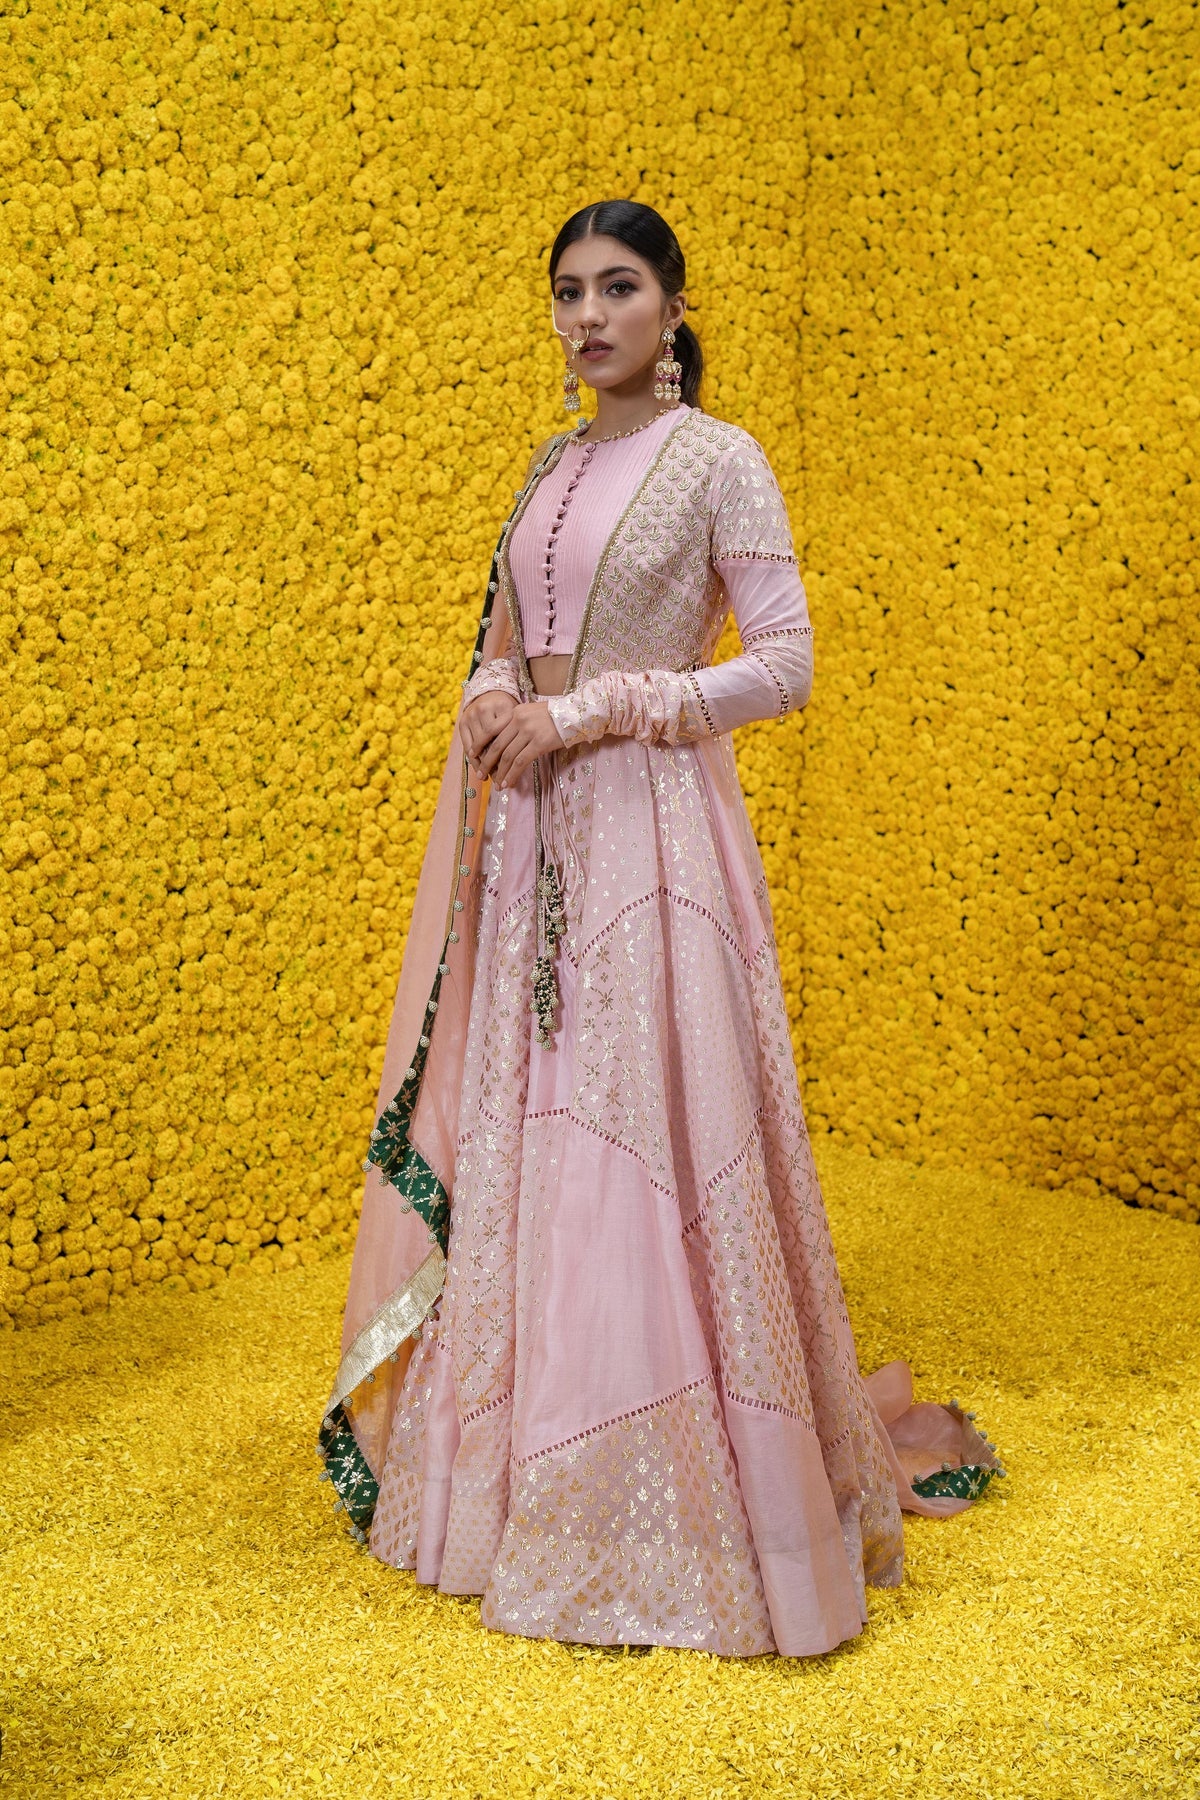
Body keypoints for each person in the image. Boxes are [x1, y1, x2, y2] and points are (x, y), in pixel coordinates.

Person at [317, 199, 1005, 1658]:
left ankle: (680, 1513)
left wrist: (602, 708)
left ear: (674, 305)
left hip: (653, 830)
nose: (588, 316)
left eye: (617, 287)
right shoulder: (549, 464)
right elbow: (509, 642)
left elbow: (788, 666)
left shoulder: (719, 459)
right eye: (567, 291)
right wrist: (495, 697)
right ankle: (517, 1489)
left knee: (642, 1121)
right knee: (538, 1119)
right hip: (537, 842)